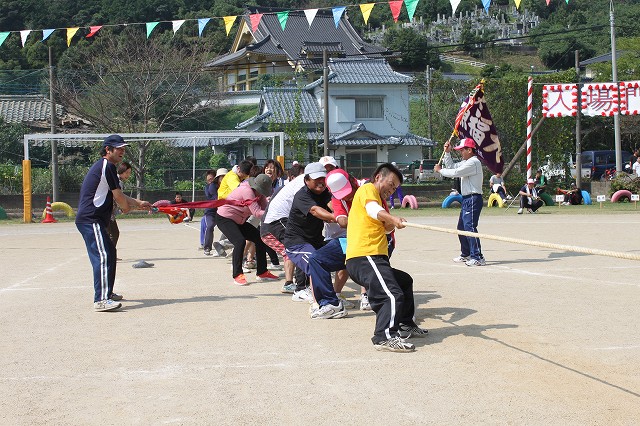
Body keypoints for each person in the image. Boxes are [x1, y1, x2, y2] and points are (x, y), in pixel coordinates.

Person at [345, 163, 427, 352]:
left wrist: (391, 224)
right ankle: (385, 337)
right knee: (391, 294)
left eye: (395, 188)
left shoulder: (380, 203)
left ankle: (405, 324)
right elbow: (373, 209)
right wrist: (391, 219)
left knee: (404, 281)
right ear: (378, 178)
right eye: (390, 184)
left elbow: (381, 226)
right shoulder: (367, 190)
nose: (391, 189)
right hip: (364, 256)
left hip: (375, 258)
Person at [76, 135, 151, 312]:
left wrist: (138, 203)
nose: (122, 151)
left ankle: (107, 294)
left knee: (110, 252)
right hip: (90, 219)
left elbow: (119, 196)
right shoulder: (107, 166)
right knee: (103, 256)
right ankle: (101, 299)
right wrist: (127, 208)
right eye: (118, 148)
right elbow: (118, 197)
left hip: (95, 220)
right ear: (108, 150)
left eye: (123, 148)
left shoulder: (107, 167)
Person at [283, 162, 338, 304]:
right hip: (296, 242)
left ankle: (334, 294)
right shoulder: (302, 195)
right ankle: (308, 294)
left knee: (342, 254)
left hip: (315, 239)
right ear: (306, 180)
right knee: (315, 263)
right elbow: (315, 210)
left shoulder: (325, 192)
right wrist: (337, 217)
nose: (321, 182)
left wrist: (340, 213)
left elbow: (332, 205)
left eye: (323, 178)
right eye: (316, 179)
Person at [215, 174, 280, 286]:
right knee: (239, 241)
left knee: (260, 239)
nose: (262, 193)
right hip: (225, 218)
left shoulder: (261, 195)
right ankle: (237, 275)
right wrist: (275, 214)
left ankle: (262, 272)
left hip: (239, 220)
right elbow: (256, 212)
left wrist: (275, 212)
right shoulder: (247, 191)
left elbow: (265, 209)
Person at [434, 138, 486, 267]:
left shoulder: (473, 162)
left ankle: (478, 256)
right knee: (461, 227)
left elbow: (455, 172)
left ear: (470, 150)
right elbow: (451, 166)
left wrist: (440, 170)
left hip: (473, 198)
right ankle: (466, 253)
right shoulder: (466, 162)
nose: (461, 152)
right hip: (467, 198)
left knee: (470, 227)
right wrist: (447, 153)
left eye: (463, 150)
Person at [260, 165, 307, 294]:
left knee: (290, 250)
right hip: (271, 226)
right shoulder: (288, 190)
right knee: (295, 248)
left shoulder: (284, 189)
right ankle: (295, 284)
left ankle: (290, 283)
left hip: (268, 227)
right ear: (293, 178)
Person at [106, 161, 132, 249]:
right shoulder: (117, 181)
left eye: (129, 173)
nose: (128, 175)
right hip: (107, 212)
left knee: (111, 233)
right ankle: (110, 254)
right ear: (121, 171)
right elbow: (117, 197)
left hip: (109, 212)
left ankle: (109, 254)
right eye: (127, 172)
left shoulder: (118, 180)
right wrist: (123, 207)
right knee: (114, 233)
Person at [202, 168, 227, 257]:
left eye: (225, 176)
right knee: (210, 226)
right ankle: (207, 247)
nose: (223, 178)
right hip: (211, 212)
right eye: (221, 177)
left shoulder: (227, 185)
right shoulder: (212, 186)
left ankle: (220, 246)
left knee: (228, 227)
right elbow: (216, 198)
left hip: (222, 211)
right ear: (218, 178)